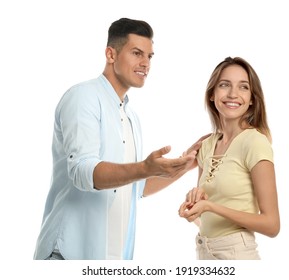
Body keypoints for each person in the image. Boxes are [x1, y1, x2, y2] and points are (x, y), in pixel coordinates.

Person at [34, 18, 206, 260]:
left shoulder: (130, 116)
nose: (145, 63)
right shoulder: (83, 98)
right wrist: (144, 167)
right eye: (137, 53)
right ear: (110, 54)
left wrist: (185, 164)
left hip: (113, 258)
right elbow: (83, 172)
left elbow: (137, 186)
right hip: (69, 256)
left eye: (150, 56)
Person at [179, 57, 280, 260]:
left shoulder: (255, 142)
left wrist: (210, 206)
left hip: (237, 254)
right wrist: (193, 211)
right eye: (224, 85)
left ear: (252, 98)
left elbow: (272, 225)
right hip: (204, 252)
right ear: (212, 94)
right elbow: (208, 215)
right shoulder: (207, 144)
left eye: (243, 87)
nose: (233, 94)